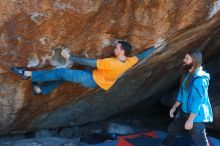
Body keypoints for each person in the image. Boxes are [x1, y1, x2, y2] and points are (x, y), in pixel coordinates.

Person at [11, 40, 160, 95]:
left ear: (121, 51)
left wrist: (69, 57)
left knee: (61, 72)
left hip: (91, 78)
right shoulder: (129, 61)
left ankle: (28, 74)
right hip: (96, 79)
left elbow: (89, 63)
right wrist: (154, 47)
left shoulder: (111, 62)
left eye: (117, 47)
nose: (114, 49)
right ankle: (41, 89)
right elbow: (141, 56)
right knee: (65, 76)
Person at [163, 50, 213, 146]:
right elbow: (182, 94)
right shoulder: (187, 75)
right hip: (183, 112)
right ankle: (166, 144)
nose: (184, 60)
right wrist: (174, 107)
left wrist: (190, 120)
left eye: (186, 59)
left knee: (200, 140)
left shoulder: (200, 79)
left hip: (195, 117)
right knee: (172, 129)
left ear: (194, 61)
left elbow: (197, 101)